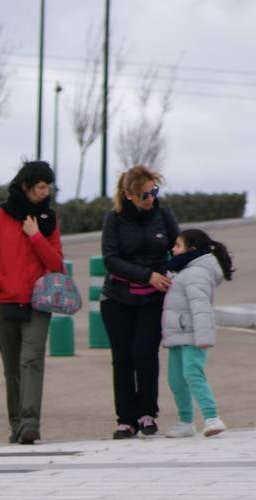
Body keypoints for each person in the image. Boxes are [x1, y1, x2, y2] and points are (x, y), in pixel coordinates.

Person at [0, 160, 64, 445]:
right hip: (4, 303)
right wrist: (1, 282)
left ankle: (30, 424)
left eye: (48, 187)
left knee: (32, 361)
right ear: (25, 186)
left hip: (38, 303)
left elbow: (57, 265)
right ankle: (17, 426)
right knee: (12, 368)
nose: (45, 192)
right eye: (40, 187)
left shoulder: (48, 220)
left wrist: (36, 236)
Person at [100, 165, 180, 439]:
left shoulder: (163, 214)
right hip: (118, 298)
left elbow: (177, 248)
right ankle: (126, 419)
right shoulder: (115, 219)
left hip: (153, 299)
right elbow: (110, 259)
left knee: (144, 353)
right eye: (144, 195)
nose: (150, 199)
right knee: (122, 358)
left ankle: (147, 413)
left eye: (153, 192)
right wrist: (147, 275)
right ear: (129, 195)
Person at [160, 229, 234, 438]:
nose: (173, 250)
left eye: (177, 245)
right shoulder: (182, 270)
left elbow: (201, 307)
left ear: (191, 249)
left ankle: (212, 418)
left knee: (193, 374)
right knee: (175, 379)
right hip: (178, 334)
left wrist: (203, 338)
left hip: (193, 335)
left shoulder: (196, 273)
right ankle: (186, 422)